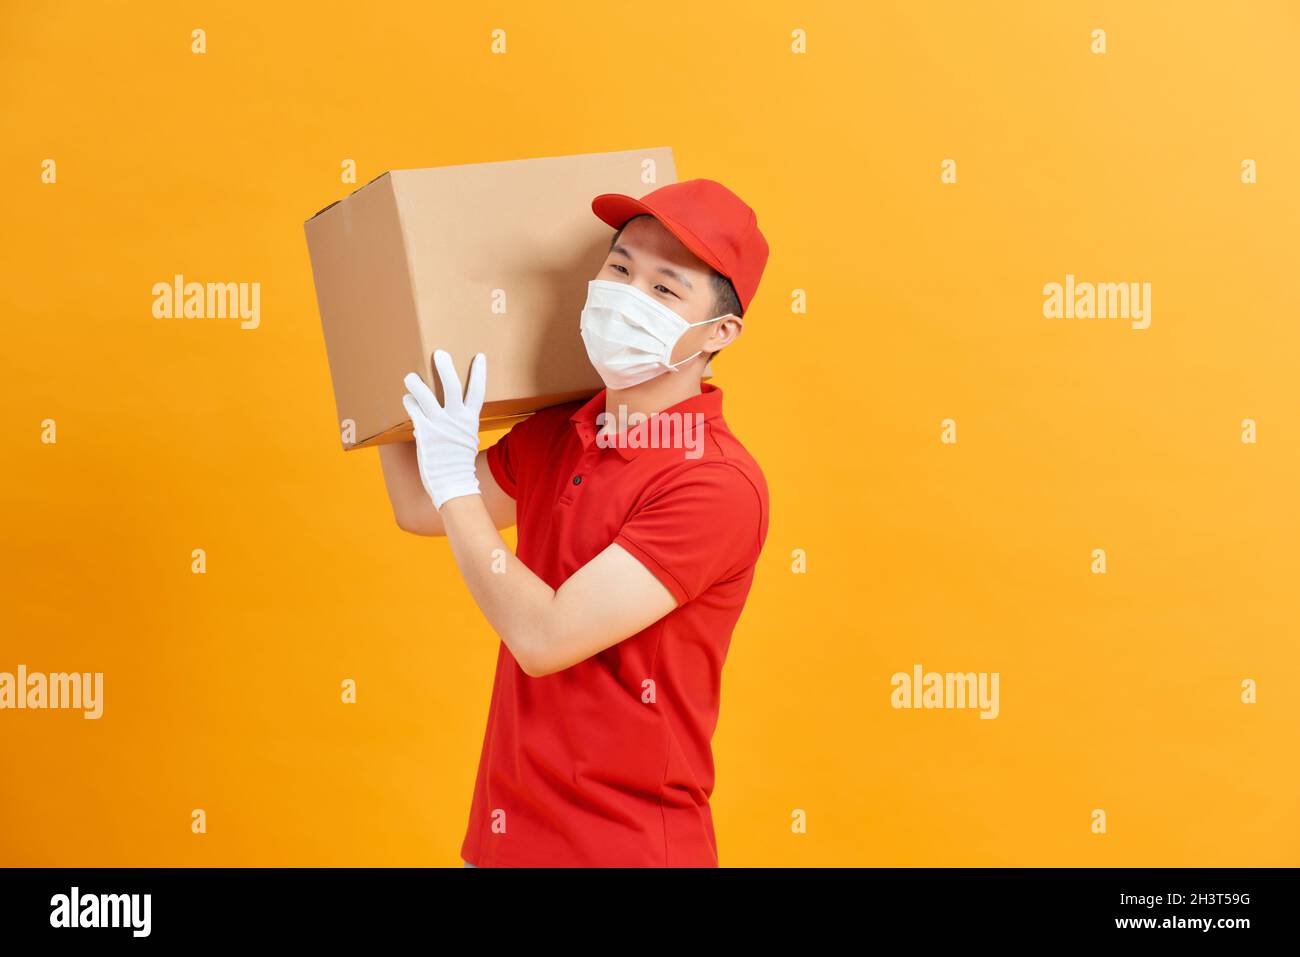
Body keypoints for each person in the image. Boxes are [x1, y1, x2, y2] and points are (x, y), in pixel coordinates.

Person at [379, 178, 771, 867]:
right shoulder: (561, 432)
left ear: (720, 332)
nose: (626, 296)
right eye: (619, 269)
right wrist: (380, 352)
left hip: (624, 850)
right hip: (501, 841)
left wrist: (450, 476)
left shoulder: (715, 483)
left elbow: (543, 635)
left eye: (663, 289)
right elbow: (420, 505)